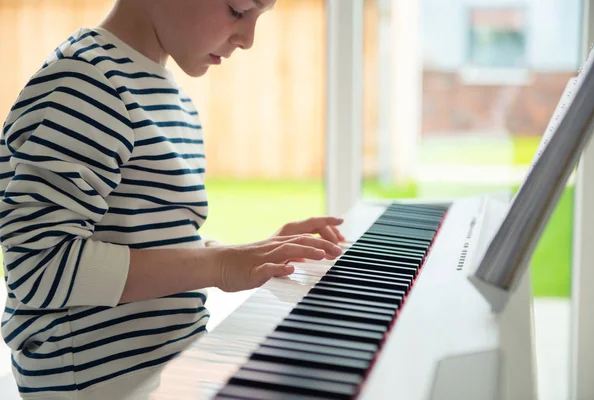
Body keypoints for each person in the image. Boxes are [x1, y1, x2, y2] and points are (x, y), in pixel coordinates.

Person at [0, 0, 345, 397]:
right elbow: (37, 266)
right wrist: (218, 264)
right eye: (238, 10)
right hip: (101, 383)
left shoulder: (171, 98)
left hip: (167, 369)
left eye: (259, 17)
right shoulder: (86, 81)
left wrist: (251, 254)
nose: (248, 39)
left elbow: (151, 241)